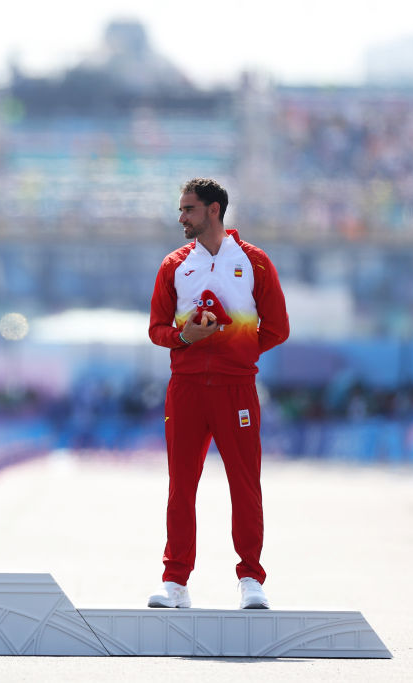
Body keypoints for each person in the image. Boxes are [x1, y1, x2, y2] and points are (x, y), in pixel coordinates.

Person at [147, 178, 289, 610]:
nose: (181, 218)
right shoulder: (175, 264)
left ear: (213, 210)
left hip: (236, 389)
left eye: (188, 209)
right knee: (181, 486)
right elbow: (156, 330)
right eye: (180, 209)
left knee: (245, 485)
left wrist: (237, 350)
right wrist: (184, 337)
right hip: (186, 389)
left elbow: (278, 328)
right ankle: (175, 582)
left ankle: (251, 578)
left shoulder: (254, 262)